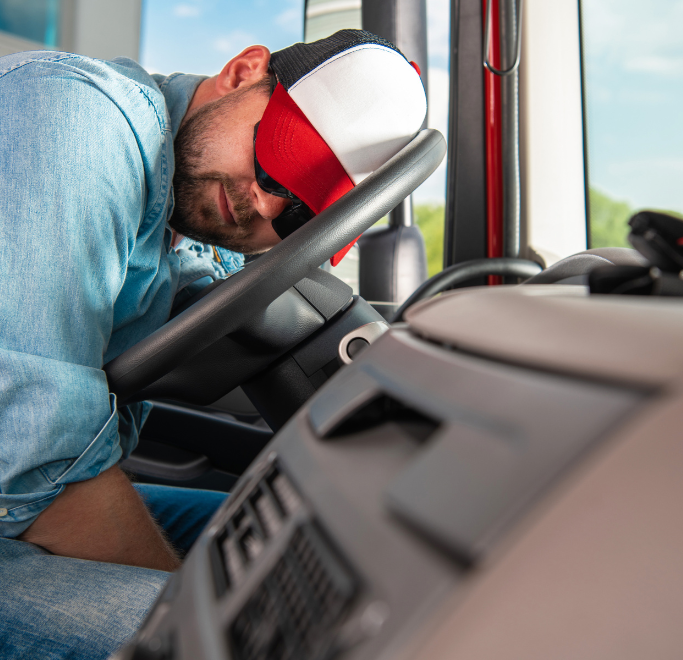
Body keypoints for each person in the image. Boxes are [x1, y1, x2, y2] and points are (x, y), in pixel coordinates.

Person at [0, 29, 426, 659]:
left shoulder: (186, 218)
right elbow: (32, 455)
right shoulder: (79, 120)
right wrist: (196, 609)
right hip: (22, 483)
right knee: (258, 642)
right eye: (274, 161)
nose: (262, 203)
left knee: (332, 561)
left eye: (298, 214)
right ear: (243, 71)